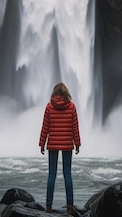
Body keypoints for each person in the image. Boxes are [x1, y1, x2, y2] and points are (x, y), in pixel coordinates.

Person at [39, 82, 81, 215]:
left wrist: (42, 143)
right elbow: (75, 127)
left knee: (52, 174)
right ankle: (70, 207)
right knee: (67, 174)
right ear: (66, 93)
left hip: (52, 144)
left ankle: (48, 206)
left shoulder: (49, 107)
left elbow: (45, 127)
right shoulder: (72, 107)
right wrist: (77, 144)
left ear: (54, 93)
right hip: (67, 144)